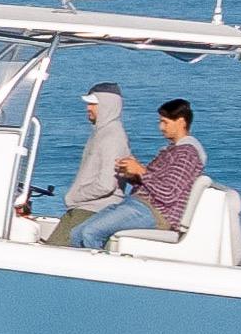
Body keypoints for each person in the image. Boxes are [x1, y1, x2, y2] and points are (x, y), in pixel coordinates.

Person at [70, 97, 201, 250]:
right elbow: (153, 184)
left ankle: (101, 270)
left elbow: (169, 193)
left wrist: (141, 170)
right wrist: (132, 175)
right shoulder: (171, 150)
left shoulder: (186, 154)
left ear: (181, 122)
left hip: (157, 212)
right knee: (77, 233)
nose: (161, 127)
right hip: (137, 204)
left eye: (165, 122)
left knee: (90, 233)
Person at [44, 82, 133, 246]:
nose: (88, 108)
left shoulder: (112, 137)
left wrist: (73, 196)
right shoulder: (102, 133)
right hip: (84, 208)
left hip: (93, 210)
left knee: (53, 253)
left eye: (93, 103)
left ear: (107, 105)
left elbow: (106, 184)